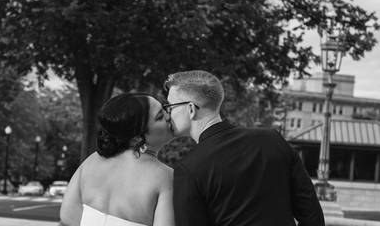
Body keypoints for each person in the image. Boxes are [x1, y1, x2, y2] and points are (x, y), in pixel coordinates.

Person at [165, 70, 325, 226]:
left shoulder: (189, 169)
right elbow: (313, 217)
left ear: (191, 109)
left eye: (170, 107)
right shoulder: (272, 140)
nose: (167, 114)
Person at [60, 92, 176, 226]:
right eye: (160, 116)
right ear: (137, 137)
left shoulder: (92, 161)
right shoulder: (165, 177)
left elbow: (67, 217)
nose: (169, 116)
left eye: (165, 109)